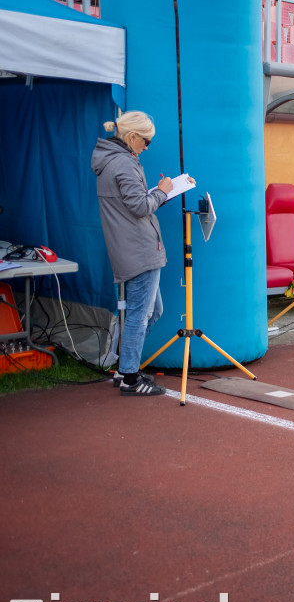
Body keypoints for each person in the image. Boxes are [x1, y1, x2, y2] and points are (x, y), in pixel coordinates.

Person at [93, 111, 178, 396]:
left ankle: (125, 367)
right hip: (138, 248)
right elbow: (140, 207)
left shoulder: (111, 160)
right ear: (131, 137)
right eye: (146, 141)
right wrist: (163, 191)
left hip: (132, 246)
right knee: (141, 314)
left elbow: (133, 204)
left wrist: (155, 195)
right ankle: (130, 376)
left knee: (150, 311)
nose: (147, 146)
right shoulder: (124, 164)